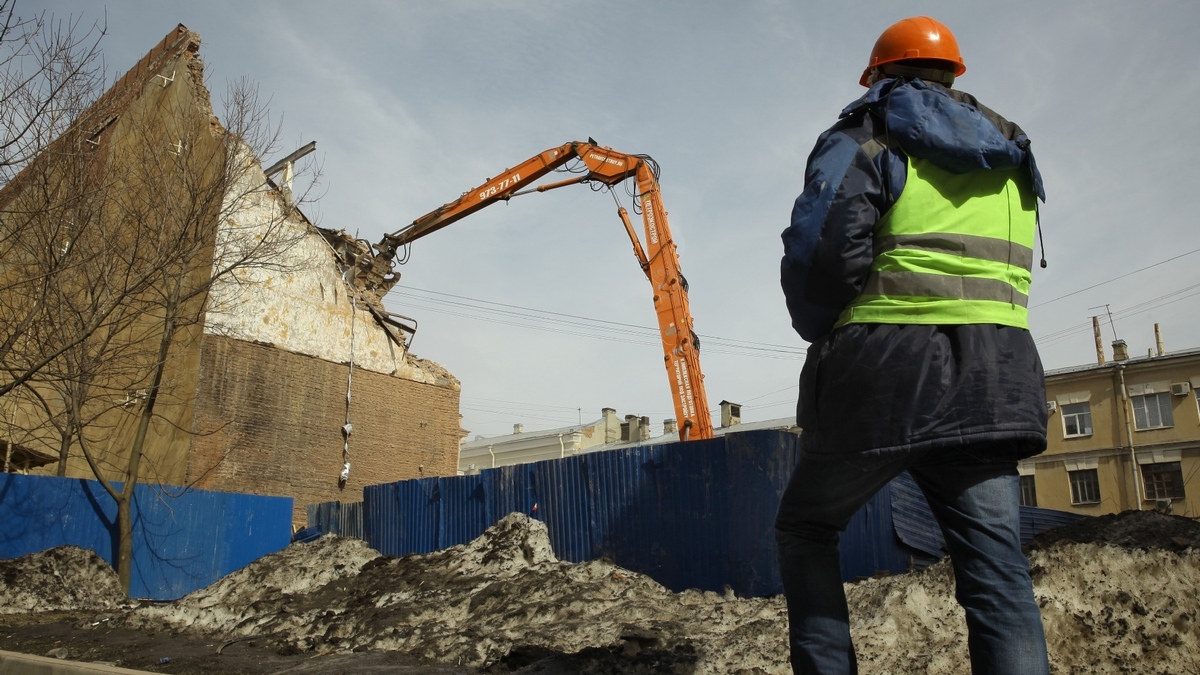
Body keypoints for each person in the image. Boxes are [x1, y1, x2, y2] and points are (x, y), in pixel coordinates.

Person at [775, 16, 1050, 675]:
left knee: (807, 528)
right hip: (992, 382)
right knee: (995, 568)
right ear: (955, 74)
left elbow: (820, 258)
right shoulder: (1013, 156)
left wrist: (819, 326)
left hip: (884, 375)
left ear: (879, 76)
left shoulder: (867, 135)